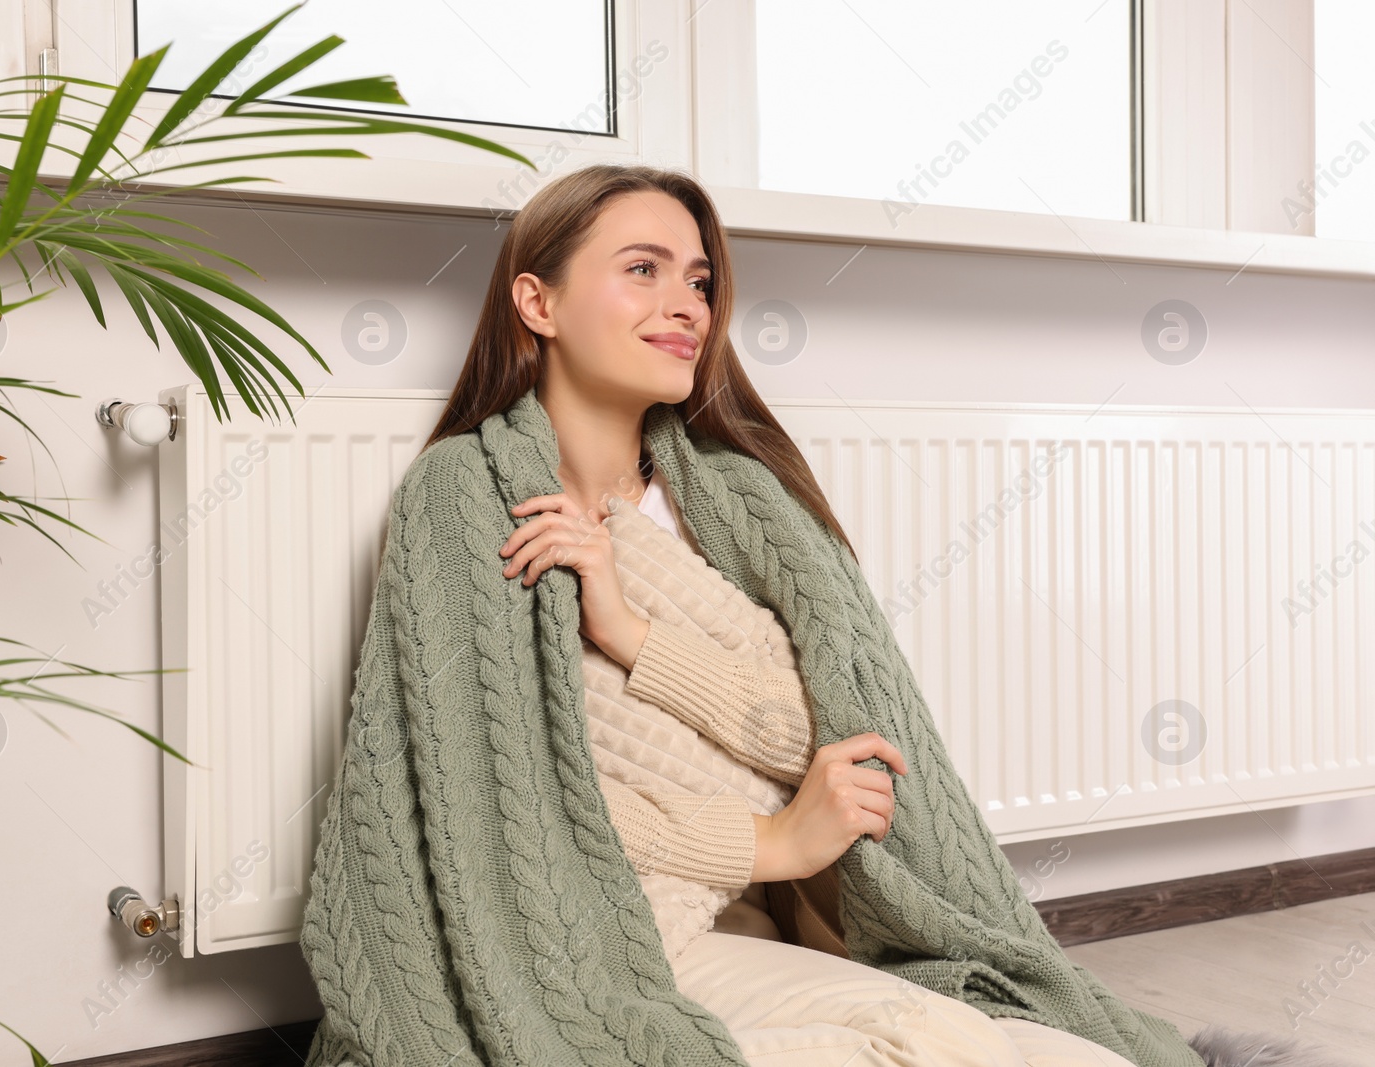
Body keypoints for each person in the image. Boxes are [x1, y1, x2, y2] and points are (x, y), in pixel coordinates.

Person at [416, 163, 1141, 1066]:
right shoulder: (468, 498)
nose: (685, 302)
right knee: (939, 1043)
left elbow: (836, 739)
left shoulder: (736, 496)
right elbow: (504, 812)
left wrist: (630, 634)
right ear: (538, 301)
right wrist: (772, 839)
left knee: (1084, 1056)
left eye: (699, 280)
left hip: (780, 926)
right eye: (643, 269)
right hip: (607, 937)